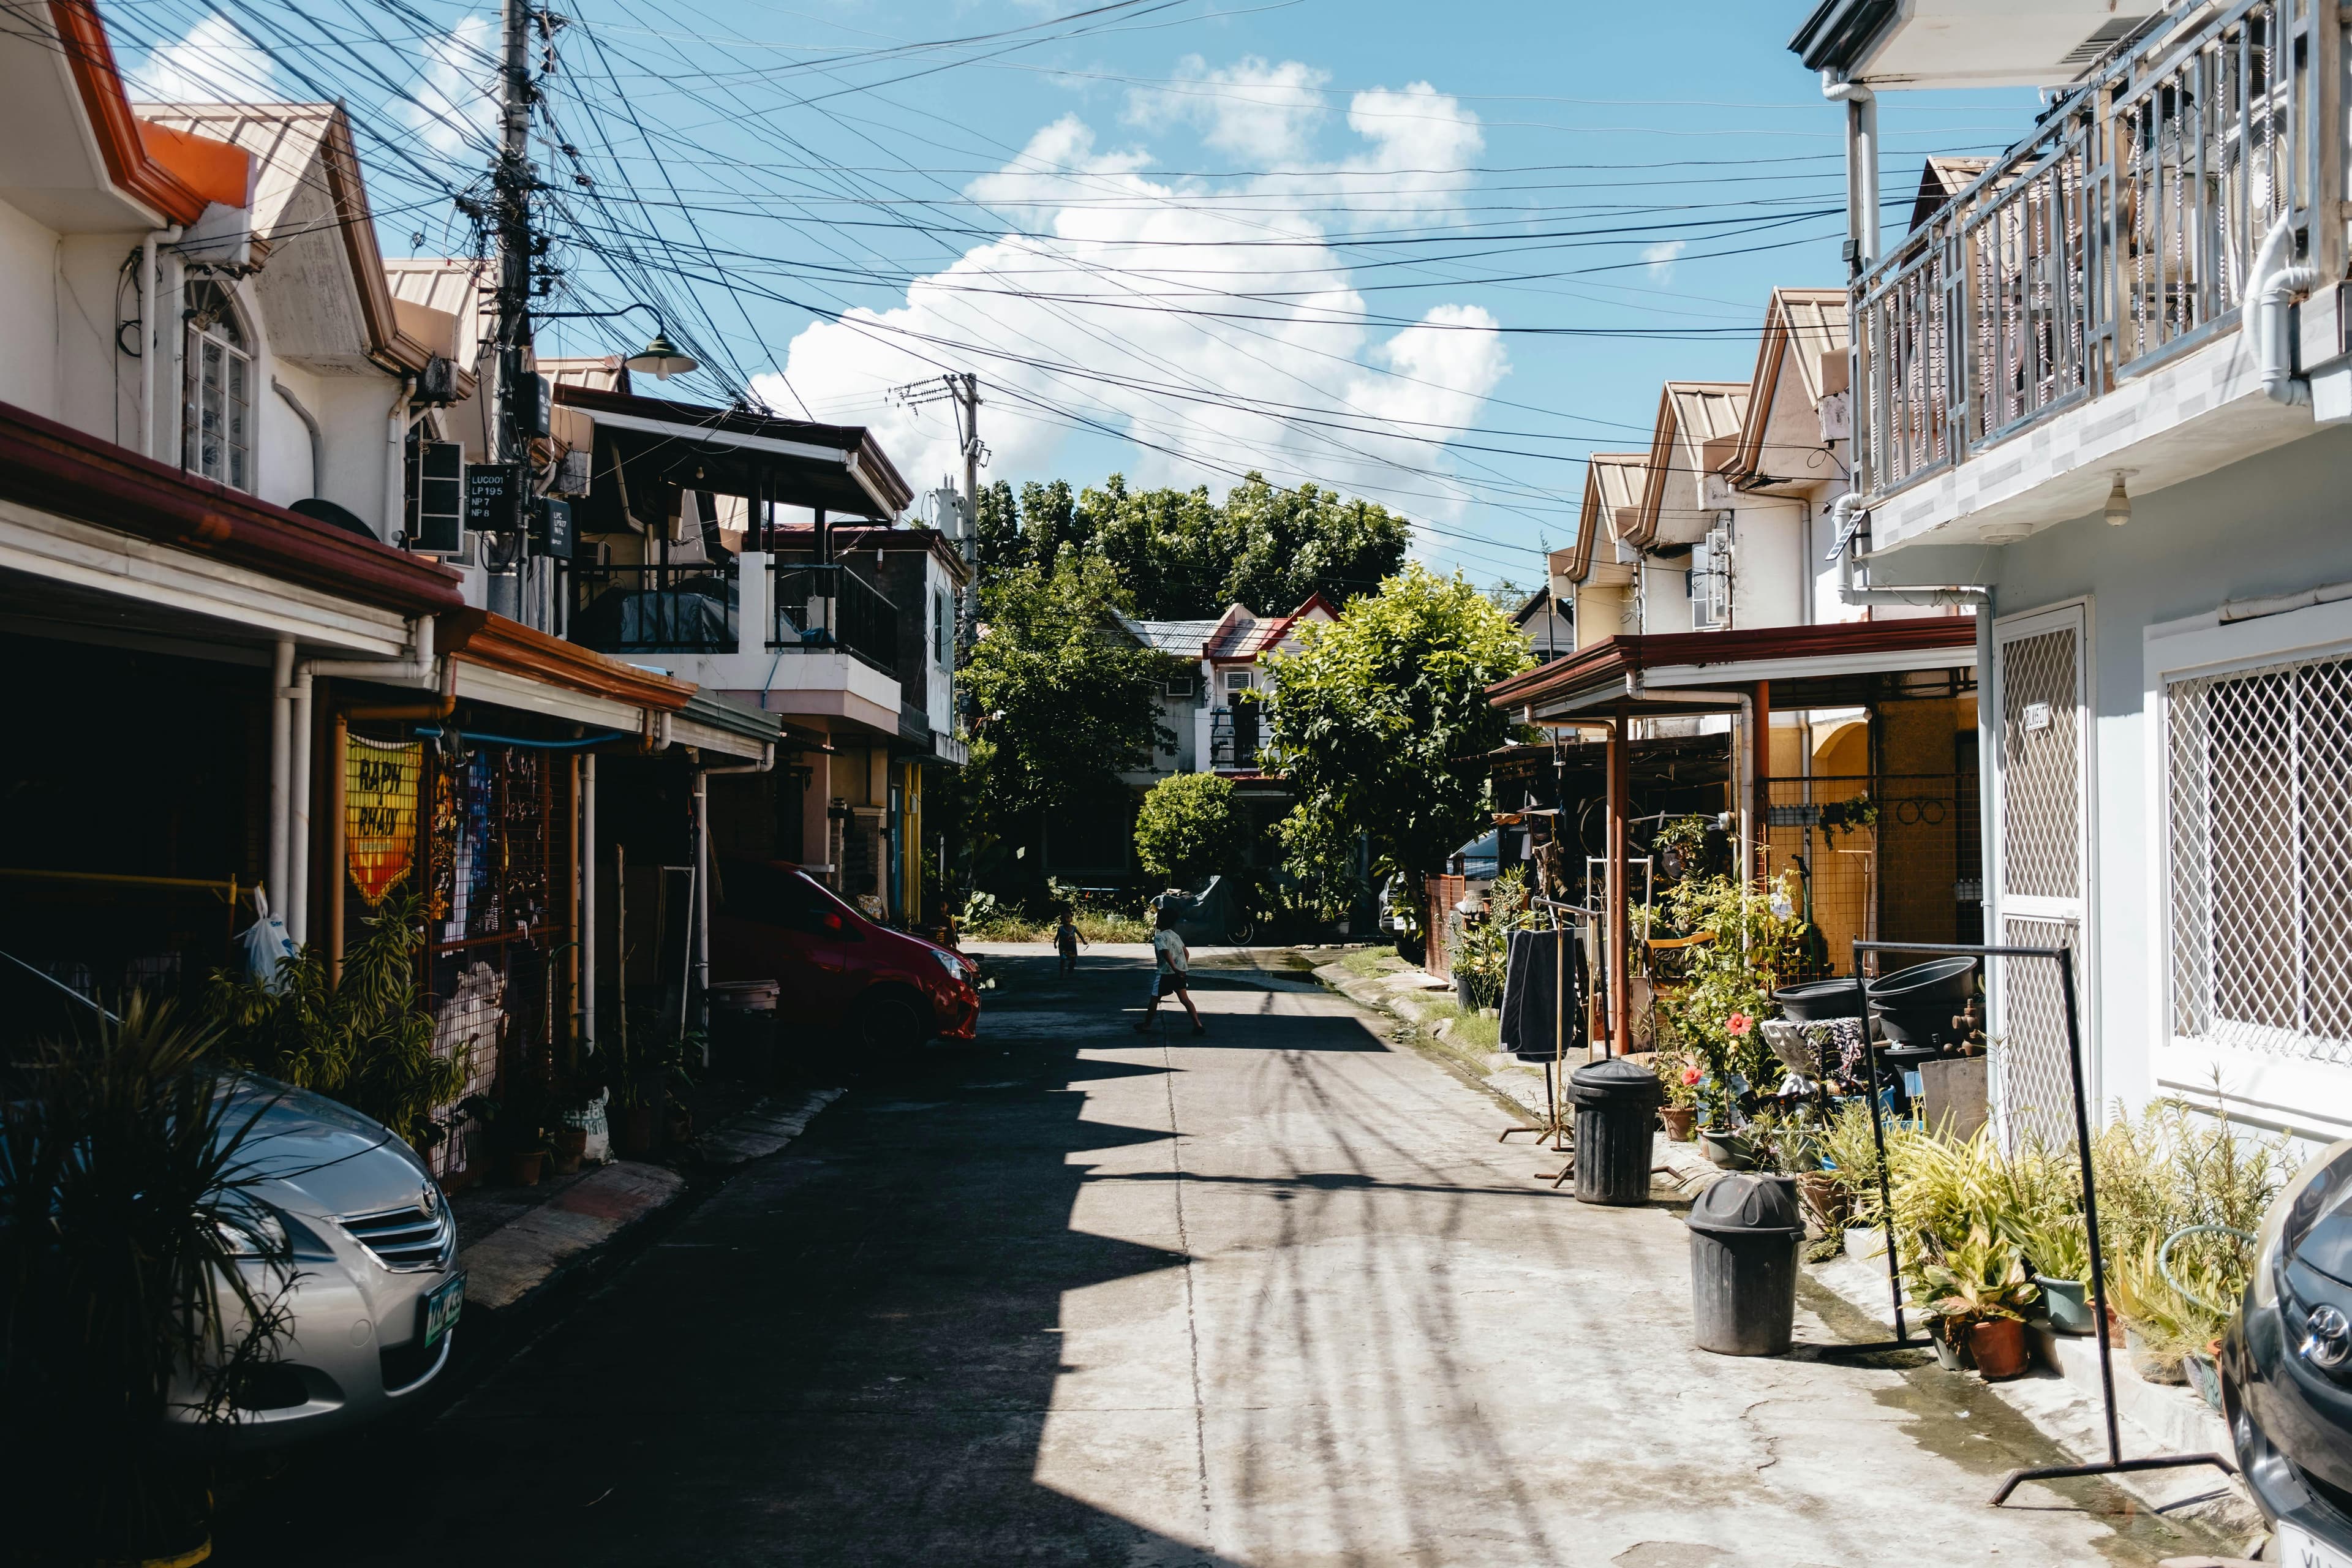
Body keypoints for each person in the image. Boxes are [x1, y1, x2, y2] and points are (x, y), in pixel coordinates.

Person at [1137, 902, 1204, 1035]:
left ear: (1160, 922)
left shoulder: (1159, 937)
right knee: (1185, 999)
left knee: (1154, 998)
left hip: (1165, 973)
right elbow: (1186, 953)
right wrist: (1181, 968)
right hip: (1179, 974)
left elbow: (1165, 952)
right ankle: (1198, 1024)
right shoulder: (1176, 936)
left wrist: (1173, 967)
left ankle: (1147, 1025)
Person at [1055, 909, 1087, 976]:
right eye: (1064, 918)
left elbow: (1079, 934)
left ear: (1071, 919)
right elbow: (1057, 937)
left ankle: (1070, 968)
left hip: (1072, 948)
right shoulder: (1061, 929)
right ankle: (1062, 974)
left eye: (1068, 917)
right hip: (1063, 947)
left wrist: (1084, 941)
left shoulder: (1074, 928)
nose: (1066, 919)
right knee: (1063, 960)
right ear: (1061, 920)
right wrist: (1055, 943)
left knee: (1074, 961)